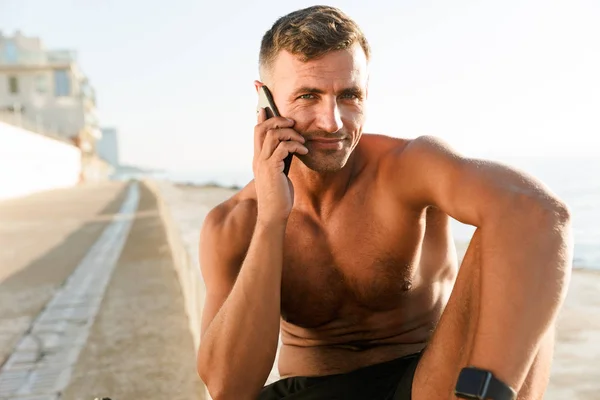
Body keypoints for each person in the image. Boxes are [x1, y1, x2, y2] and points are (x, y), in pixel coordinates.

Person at [196, 5, 573, 400]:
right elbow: (228, 388)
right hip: (311, 390)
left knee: (522, 251)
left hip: (428, 381)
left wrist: (486, 394)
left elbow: (539, 213)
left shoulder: (409, 167)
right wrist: (271, 220)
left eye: (349, 95)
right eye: (308, 96)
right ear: (265, 102)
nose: (333, 122)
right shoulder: (234, 222)